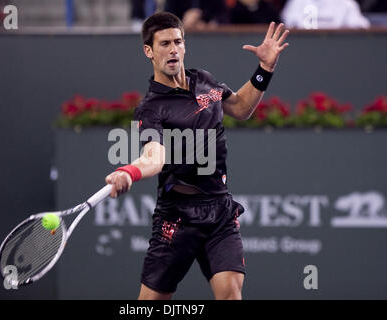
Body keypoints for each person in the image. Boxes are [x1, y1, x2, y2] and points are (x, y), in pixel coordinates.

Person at [105, 11, 289, 300]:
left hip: (219, 209)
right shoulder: (151, 109)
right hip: (177, 215)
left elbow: (241, 108)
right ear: (148, 51)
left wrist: (264, 68)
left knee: (230, 292)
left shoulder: (204, 80)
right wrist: (129, 171)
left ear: (185, 45)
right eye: (164, 44)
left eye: (177, 41)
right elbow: (154, 156)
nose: (173, 49)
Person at [281, 0, 370, 29]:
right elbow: (287, 25)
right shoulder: (297, 2)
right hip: (305, 51)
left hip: (339, 51)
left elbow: (362, 27)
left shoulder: (347, 4)